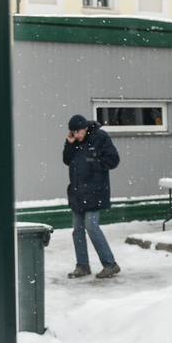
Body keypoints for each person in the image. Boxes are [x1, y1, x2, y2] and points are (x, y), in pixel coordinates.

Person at [63, 114, 122, 279]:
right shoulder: (74, 141)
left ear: (86, 128)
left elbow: (114, 159)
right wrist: (69, 144)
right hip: (77, 192)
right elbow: (67, 160)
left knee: (92, 227)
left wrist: (94, 165)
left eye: (79, 132)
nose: (77, 135)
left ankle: (110, 264)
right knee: (77, 230)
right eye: (73, 132)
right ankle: (82, 266)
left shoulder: (100, 137)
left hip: (96, 191)